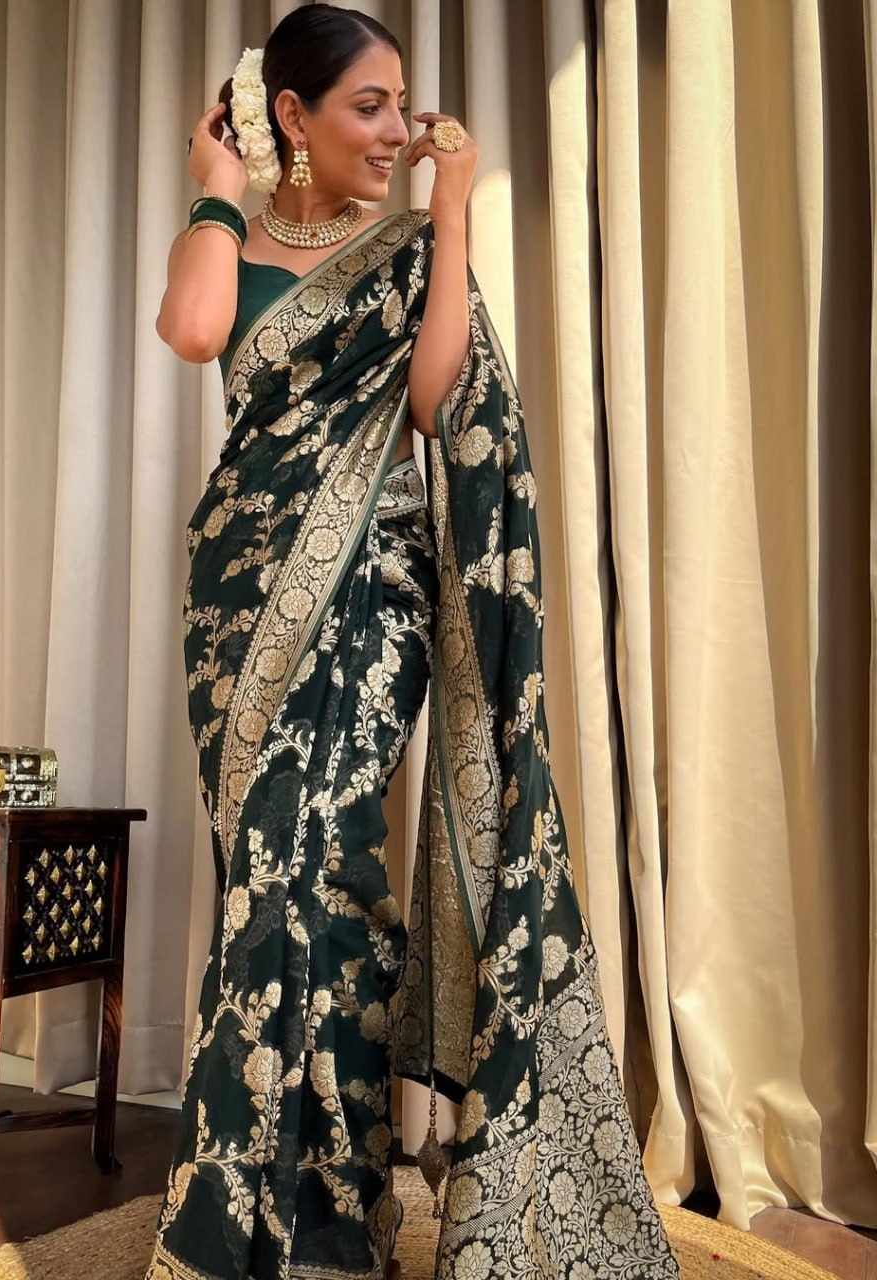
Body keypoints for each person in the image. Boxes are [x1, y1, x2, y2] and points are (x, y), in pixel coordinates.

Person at [147, 7, 680, 1279]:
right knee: (259, 887)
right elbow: (195, 331)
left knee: (327, 878)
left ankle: (334, 1215)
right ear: (292, 114)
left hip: (371, 591)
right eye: (368, 106)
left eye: (401, 103)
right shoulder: (227, 234)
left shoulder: (399, 251)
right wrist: (217, 188)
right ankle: (246, 1213)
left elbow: (439, 402)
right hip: (240, 599)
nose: (396, 129)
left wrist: (450, 218)